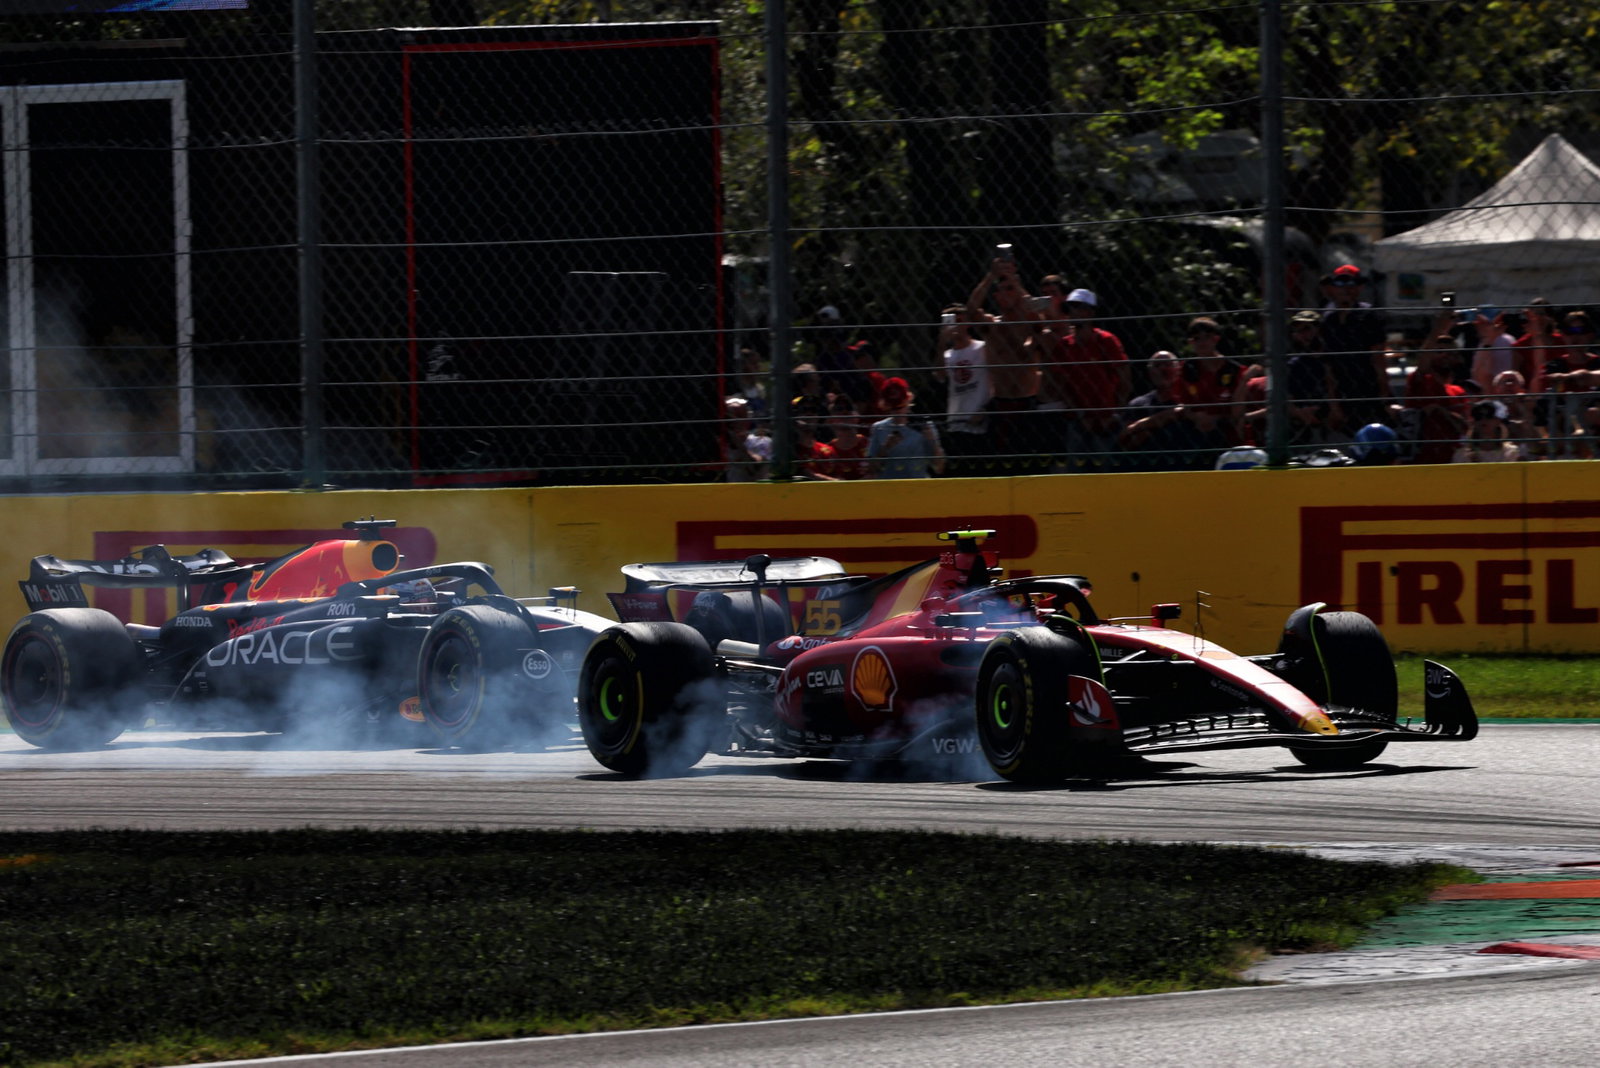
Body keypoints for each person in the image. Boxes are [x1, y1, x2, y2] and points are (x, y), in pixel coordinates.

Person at [965, 253, 1042, 469]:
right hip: (1001, 402)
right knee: (1000, 464)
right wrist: (991, 276)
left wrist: (1016, 284)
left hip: (1027, 402)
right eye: (1001, 290)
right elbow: (971, 310)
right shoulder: (992, 325)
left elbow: (1037, 318)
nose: (1005, 293)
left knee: (1032, 465)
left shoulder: (1030, 323)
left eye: (1010, 289)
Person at [1041, 288, 1131, 469]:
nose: (1073, 312)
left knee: (1108, 468)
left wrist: (1115, 413)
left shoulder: (1106, 340)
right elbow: (1057, 382)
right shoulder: (1064, 345)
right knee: (1076, 468)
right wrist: (1078, 412)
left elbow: (1124, 377)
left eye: (1078, 307)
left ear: (1090, 311)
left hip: (1107, 419)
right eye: (1071, 307)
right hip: (1077, 419)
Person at [1117, 350, 1230, 470]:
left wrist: (1144, 427)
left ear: (1179, 369)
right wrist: (1163, 418)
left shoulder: (1194, 400)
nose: (1163, 369)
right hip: (1148, 467)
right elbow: (1124, 439)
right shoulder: (1138, 404)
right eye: (1157, 365)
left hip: (1191, 466)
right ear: (1149, 372)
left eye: (1168, 364)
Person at [1318, 266, 1389, 430]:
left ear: (1359, 287)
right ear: (1333, 287)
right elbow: (1327, 363)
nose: (1346, 289)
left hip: (1367, 386)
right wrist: (1334, 403)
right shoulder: (1328, 317)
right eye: (1340, 283)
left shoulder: (1368, 314)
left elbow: (1378, 356)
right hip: (1340, 387)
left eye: (1352, 283)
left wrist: (1384, 392)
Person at [931, 304, 991, 475]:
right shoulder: (947, 355)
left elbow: (995, 378)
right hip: (956, 422)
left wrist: (986, 409)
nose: (956, 326)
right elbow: (939, 375)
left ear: (968, 323)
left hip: (978, 420)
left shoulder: (981, 348)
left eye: (959, 321)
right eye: (951, 322)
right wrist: (942, 343)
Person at [1174, 317, 1247, 450]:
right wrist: (1195, 416)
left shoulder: (1234, 370)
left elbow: (1240, 409)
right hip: (1196, 427)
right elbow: (1182, 403)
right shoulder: (1187, 369)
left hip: (1227, 427)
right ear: (1190, 342)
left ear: (1216, 339)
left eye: (1207, 337)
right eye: (1196, 338)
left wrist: (1215, 418)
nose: (1202, 342)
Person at [866, 377, 945, 478]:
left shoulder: (923, 425)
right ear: (886, 406)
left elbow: (939, 467)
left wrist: (932, 441)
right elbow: (870, 469)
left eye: (901, 406)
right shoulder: (879, 428)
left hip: (916, 485)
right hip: (890, 486)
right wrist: (885, 449)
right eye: (893, 408)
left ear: (908, 400)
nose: (897, 411)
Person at [1404, 345, 1469, 464]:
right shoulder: (1419, 382)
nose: (1444, 355)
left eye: (1449, 353)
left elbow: (1465, 426)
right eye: (1439, 351)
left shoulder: (1457, 391)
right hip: (1421, 456)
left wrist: (1442, 412)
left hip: (1451, 455)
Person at [1452, 399, 1527, 462]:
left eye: (1489, 416)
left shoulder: (1511, 452)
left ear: (1498, 421)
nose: (1484, 420)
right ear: (1474, 422)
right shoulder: (1462, 455)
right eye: (1479, 416)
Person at [721, 395, 770, 482]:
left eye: (738, 416)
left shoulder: (761, 441)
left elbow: (755, 468)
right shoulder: (723, 443)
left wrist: (739, 445)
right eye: (729, 418)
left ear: (747, 419)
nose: (734, 421)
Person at [822, 393, 870, 479]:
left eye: (849, 408)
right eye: (839, 409)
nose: (844, 412)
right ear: (831, 420)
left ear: (857, 417)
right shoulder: (828, 451)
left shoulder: (868, 444)